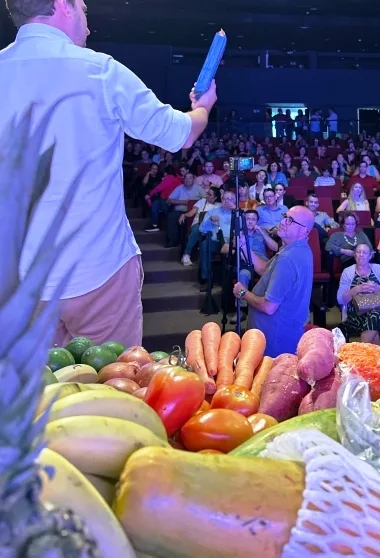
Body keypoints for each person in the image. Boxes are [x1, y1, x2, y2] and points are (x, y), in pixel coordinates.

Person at [0, 0, 217, 347]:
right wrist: (202, 107)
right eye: (84, 11)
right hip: (98, 270)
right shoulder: (100, 71)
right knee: (113, 390)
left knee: (40, 396)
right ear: (62, 5)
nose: (88, 26)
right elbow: (181, 134)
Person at [232, 206, 315, 357]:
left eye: (290, 220)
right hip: (286, 331)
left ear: (303, 231)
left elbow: (269, 307)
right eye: (285, 216)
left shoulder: (287, 258)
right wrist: (244, 245)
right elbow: (266, 270)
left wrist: (243, 293)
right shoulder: (300, 249)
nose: (283, 221)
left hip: (273, 340)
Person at [337, 244, 380, 344]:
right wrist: (357, 289)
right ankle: (369, 353)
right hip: (356, 315)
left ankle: (364, 352)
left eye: (364, 252)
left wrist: (378, 289)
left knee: (376, 315)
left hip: (378, 313)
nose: (361, 255)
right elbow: (340, 299)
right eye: (358, 252)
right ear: (354, 254)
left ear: (370, 256)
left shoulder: (378, 269)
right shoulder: (347, 272)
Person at [198, 192, 237, 290]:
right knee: (205, 244)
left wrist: (236, 211)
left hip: (233, 243)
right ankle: (207, 280)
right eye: (224, 199)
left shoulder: (238, 213)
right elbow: (201, 229)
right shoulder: (212, 212)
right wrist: (210, 220)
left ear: (234, 200)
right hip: (217, 242)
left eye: (229, 199)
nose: (226, 201)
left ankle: (235, 280)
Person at [179, 187, 221, 266]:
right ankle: (186, 255)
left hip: (212, 227)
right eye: (207, 193)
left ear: (215, 197)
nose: (207, 195)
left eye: (210, 194)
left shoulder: (219, 205)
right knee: (197, 230)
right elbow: (191, 213)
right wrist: (184, 215)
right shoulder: (202, 201)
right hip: (199, 223)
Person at [164, 173, 202, 247]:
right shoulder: (179, 188)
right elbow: (168, 200)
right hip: (180, 210)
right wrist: (183, 202)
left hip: (194, 211)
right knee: (172, 216)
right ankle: (173, 240)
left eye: (190, 178)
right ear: (183, 180)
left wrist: (193, 203)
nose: (188, 180)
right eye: (186, 178)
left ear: (193, 180)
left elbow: (205, 199)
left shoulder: (198, 188)